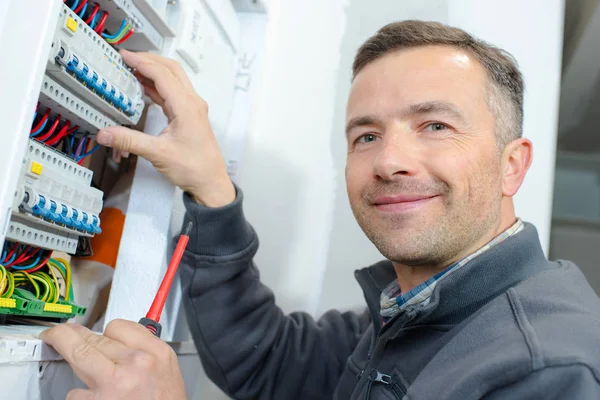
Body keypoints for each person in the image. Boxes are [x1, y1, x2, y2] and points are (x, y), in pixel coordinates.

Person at [41, 20, 600, 400]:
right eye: (366, 135)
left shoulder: (547, 368)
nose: (390, 161)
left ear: (512, 165)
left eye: (435, 126)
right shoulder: (410, 310)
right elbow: (270, 361)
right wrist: (213, 188)